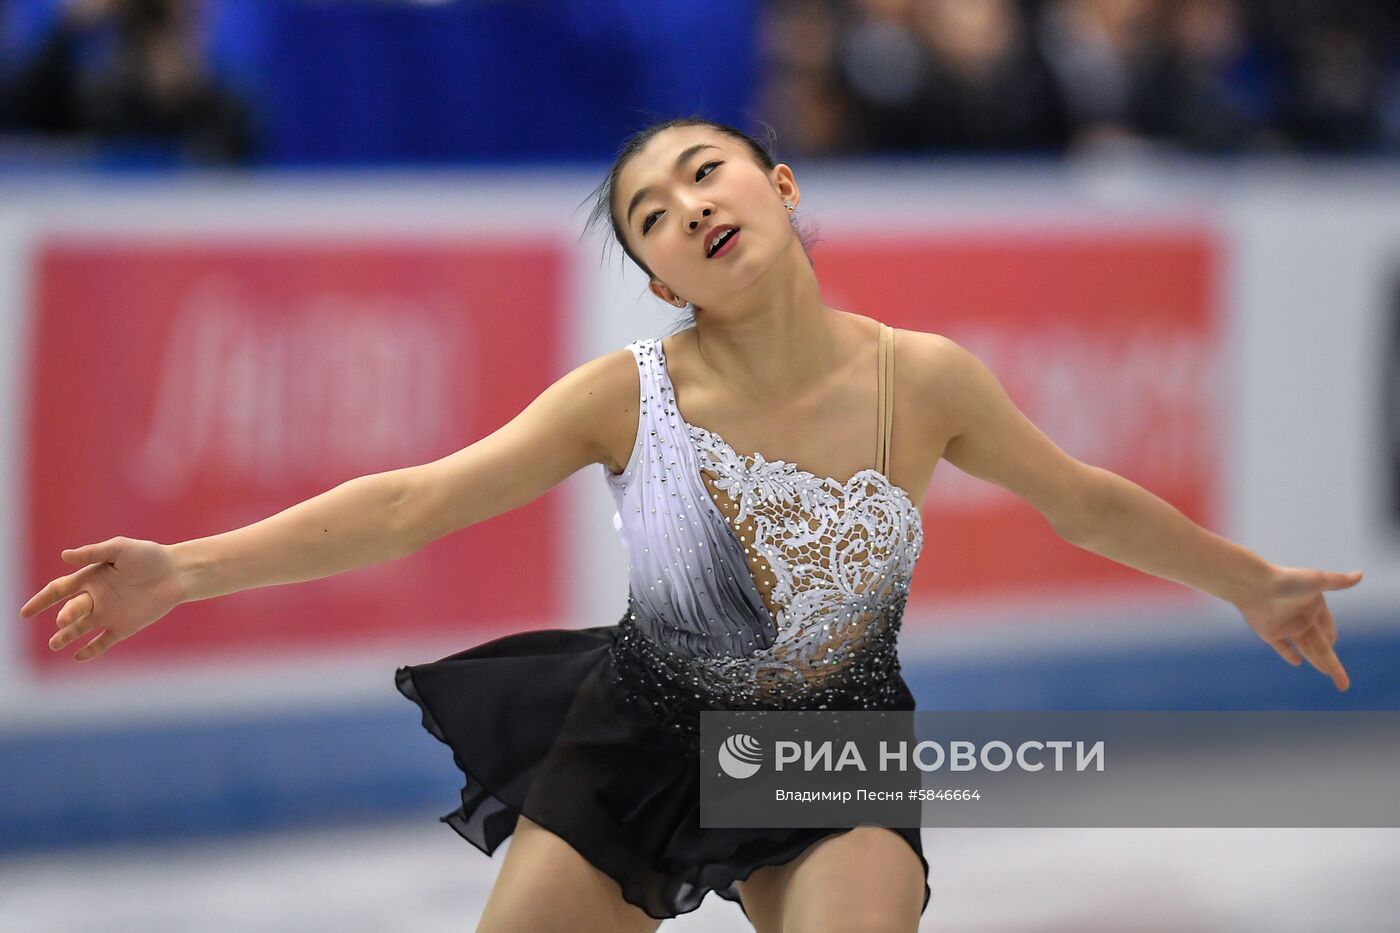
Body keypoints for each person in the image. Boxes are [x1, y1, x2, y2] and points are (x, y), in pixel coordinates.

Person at [20, 116, 1361, 932]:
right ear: (656, 271)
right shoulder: (627, 397)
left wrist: (1249, 581)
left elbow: (1087, 499)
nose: (689, 207)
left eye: (706, 173)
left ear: (779, 185)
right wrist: (185, 569)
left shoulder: (925, 378)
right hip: (639, 734)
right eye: (651, 215)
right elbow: (414, 500)